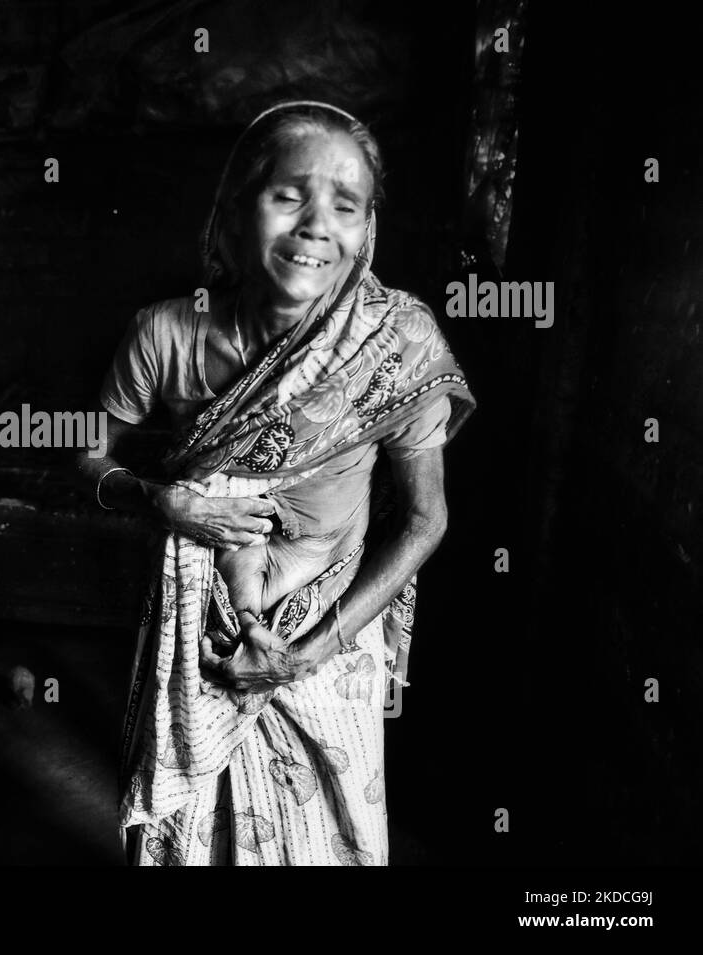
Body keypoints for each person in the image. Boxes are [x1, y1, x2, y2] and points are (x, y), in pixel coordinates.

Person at [77, 100, 476, 865]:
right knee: (193, 838)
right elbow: (88, 456)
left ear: (366, 234)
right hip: (204, 634)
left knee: (328, 843)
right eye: (288, 195)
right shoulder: (165, 333)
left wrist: (308, 651)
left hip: (330, 639)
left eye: (346, 206)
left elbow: (426, 521)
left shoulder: (396, 345)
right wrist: (156, 497)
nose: (316, 224)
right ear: (234, 214)